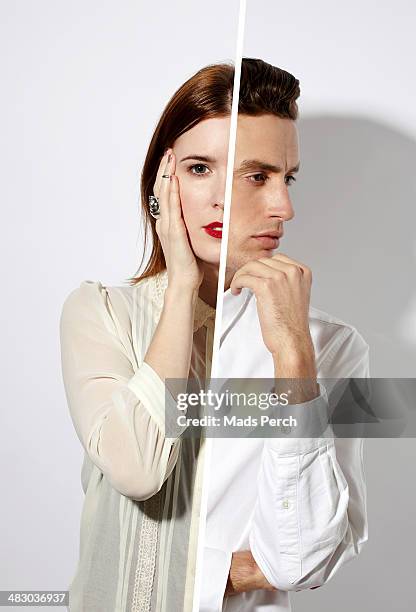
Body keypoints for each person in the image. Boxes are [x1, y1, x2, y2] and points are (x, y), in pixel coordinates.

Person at [59, 60, 232, 612]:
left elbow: (325, 542)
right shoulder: (99, 312)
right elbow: (137, 470)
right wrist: (182, 284)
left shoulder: (311, 340)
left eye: (249, 174)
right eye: (201, 168)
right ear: (162, 181)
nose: (223, 198)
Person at [199, 59, 369, 611]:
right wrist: (223, 569)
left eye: (286, 177)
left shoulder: (334, 345)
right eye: (256, 176)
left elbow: (305, 562)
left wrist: (294, 354)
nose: (285, 208)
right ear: (179, 174)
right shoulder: (106, 319)